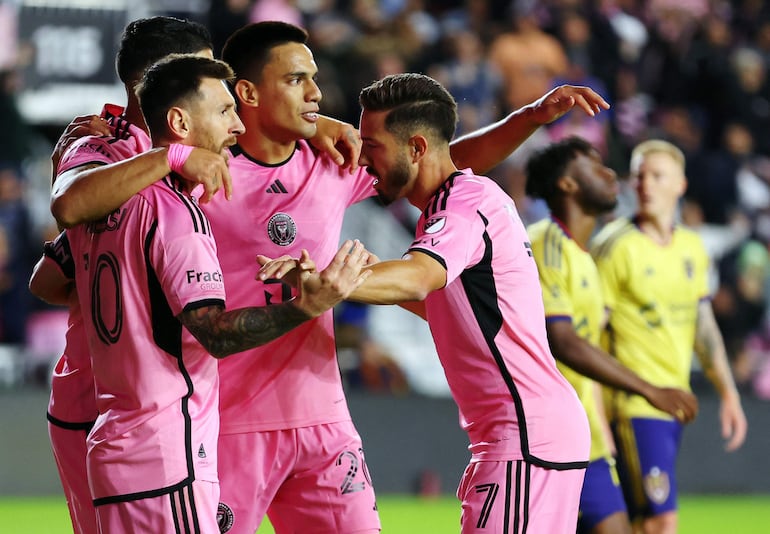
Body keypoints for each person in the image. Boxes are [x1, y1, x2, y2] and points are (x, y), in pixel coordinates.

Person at [49, 20, 609, 534]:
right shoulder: (195, 174)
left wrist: (528, 120)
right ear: (246, 94)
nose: (317, 91)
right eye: (297, 79)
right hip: (228, 426)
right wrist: (117, 143)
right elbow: (78, 221)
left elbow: (431, 158)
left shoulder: (333, 164)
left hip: (324, 423)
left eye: (314, 78)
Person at [36, 54, 371, 533]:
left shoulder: (113, 201)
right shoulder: (177, 213)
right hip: (166, 454)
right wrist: (308, 305)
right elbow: (215, 333)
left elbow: (44, 281)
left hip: (116, 444)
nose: (238, 125)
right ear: (179, 122)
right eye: (223, 112)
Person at [268, 71, 593, 533]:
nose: (362, 157)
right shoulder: (455, 200)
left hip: (522, 434)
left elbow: (420, 279)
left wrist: (328, 281)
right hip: (524, 435)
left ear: (417, 149)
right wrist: (530, 117)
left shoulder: (463, 207)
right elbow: (446, 308)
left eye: (373, 145)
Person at [29, 17, 217, 534]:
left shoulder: (207, 141)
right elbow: (70, 204)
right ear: (155, 81)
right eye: (202, 72)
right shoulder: (99, 142)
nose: (220, 90)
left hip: (167, 401)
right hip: (103, 399)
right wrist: (171, 155)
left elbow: (47, 278)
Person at [524, 137, 698, 534]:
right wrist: (649, 389)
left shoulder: (584, 257)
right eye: (594, 164)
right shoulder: (544, 243)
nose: (610, 174)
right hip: (545, 437)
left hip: (587, 437)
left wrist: (601, 425)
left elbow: (590, 347)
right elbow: (562, 339)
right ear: (567, 184)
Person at [590, 139, 748, 534]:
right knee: (663, 521)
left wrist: (728, 392)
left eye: (657, 176)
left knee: (638, 521)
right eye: (639, 175)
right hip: (634, 406)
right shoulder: (616, 247)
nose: (645, 185)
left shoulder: (692, 248)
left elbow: (703, 326)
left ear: (680, 184)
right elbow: (587, 337)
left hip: (673, 404)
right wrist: (595, 417)